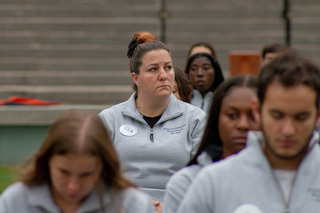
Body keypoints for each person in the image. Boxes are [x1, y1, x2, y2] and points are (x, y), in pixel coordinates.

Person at [177, 51, 320, 212]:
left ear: (318, 115)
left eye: (300, 117)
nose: (287, 130)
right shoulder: (212, 183)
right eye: (277, 116)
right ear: (257, 110)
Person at [99, 32, 207, 204]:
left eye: (168, 67)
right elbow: (98, 179)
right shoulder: (109, 119)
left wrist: (170, 207)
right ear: (136, 78)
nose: (163, 75)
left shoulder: (196, 119)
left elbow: (203, 179)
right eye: (153, 69)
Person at [0, 110, 154, 213]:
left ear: (103, 166)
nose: (73, 185)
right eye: (64, 172)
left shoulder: (133, 205)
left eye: (86, 174)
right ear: (47, 161)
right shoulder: (15, 201)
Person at [163, 74, 260, 213]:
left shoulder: (288, 178)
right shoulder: (187, 183)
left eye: (253, 116)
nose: (243, 125)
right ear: (216, 119)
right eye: (232, 115)